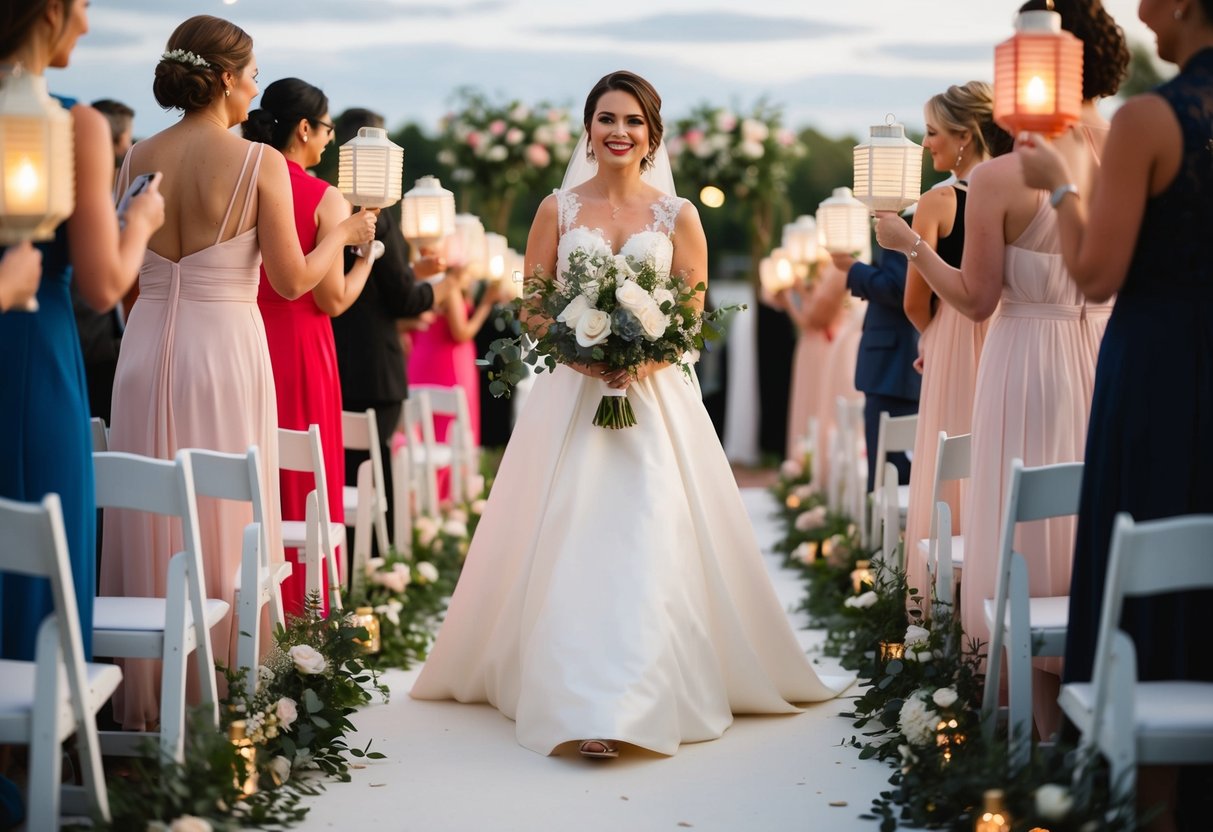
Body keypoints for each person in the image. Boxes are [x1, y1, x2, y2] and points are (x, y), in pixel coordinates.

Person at [411, 70, 852, 759]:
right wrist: (580, 353)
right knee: (569, 531)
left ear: (652, 134)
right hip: (572, 393)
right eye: (607, 118)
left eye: (633, 121)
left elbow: (693, 312)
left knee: (649, 529)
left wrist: (642, 361)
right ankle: (577, 701)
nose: (619, 131)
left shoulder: (678, 215)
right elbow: (533, 305)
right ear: (588, 129)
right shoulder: (557, 209)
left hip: (653, 398)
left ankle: (636, 697)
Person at [100, 14, 376, 732]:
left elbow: (123, 285)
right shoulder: (258, 163)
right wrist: (343, 236)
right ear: (225, 78)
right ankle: (223, 694)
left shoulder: (136, 158)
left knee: (149, 506)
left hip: (144, 352)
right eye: (252, 73)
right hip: (223, 353)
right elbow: (291, 281)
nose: (255, 87)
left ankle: (150, 699)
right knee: (225, 510)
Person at [877, 0, 1128, 741]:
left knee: (1022, 527)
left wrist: (911, 247)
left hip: (1023, 364)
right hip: (1105, 354)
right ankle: (1096, 710)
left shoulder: (998, 178)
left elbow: (976, 301)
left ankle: (1035, 728)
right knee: (1092, 514)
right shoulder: (1121, 149)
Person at [1018, 1, 1213, 826]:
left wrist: (1061, 184)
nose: (1139, 9)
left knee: (1153, 550)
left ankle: (1152, 805)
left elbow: (1095, 274)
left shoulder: (1149, 120)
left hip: (1160, 374)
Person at [1, 0, 164, 666]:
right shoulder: (75, 124)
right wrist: (142, 222)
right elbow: (104, 285)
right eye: (86, 6)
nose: (89, 24)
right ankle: (39, 716)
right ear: (51, 11)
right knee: (43, 547)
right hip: (35, 358)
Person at [241, 78, 377, 617]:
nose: (329, 139)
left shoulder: (243, 180)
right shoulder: (324, 196)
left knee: (255, 471)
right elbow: (334, 298)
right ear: (303, 128)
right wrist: (364, 257)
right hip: (301, 350)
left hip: (246, 339)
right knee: (304, 478)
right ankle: (305, 612)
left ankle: (256, 610)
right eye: (326, 129)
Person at [901, 81, 1011, 602]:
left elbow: (914, 301)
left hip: (952, 336)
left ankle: (941, 604)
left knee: (948, 461)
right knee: (996, 456)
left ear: (964, 136)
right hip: (1008, 330)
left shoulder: (937, 202)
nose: (926, 144)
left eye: (932, 133)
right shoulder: (1015, 192)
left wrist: (932, 339)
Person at [329, 108, 450, 550]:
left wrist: (414, 272)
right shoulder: (377, 215)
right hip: (376, 369)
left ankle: (345, 561)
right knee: (375, 470)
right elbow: (401, 298)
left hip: (333, 359)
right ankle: (382, 564)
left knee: (339, 470)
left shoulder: (327, 206)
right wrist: (440, 287)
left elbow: (373, 283)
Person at [407, 262, 511, 496]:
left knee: (427, 428)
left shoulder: (431, 283)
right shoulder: (450, 286)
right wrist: (486, 303)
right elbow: (461, 332)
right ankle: (446, 494)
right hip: (447, 364)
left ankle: (428, 493)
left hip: (423, 359)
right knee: (449, 429)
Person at [830, 241, 920, 495]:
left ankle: (886, 520)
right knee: (888, 470)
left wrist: (853, 268)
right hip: (894, 368)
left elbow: (898, 287)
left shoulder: (902, 229)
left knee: (888, 477)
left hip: (894, 368)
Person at [71, 97, 137, 423]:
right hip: (92, 338)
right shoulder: (102, 197)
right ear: (117, 140)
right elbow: (106, 285)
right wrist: (140, 224)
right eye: (128, 138)